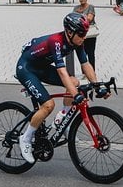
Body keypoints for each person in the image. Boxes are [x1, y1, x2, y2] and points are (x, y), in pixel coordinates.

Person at [14, 12, 105, 164]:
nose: (84, 37)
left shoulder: (76, 41)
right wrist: (76, 96)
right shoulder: (56, 41)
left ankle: (63, 117)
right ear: (70, 32)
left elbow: (85, 64)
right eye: (81, 34)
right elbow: (62, 72)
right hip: (26, 68)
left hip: (41, 67)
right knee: (48, 105)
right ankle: (26, 138)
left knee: (74, 82)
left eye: (85, 33)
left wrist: (97, 85)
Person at [73, 0, 99, 73]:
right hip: (80, 34)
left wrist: (79, 16)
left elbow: (89, 19)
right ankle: (84, 72)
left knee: (90, 53)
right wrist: (83, 16)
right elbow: (72, 19)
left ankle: (92, 71)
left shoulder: (90, 7)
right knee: (82, 53)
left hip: (90, 33)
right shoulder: (76, 8)